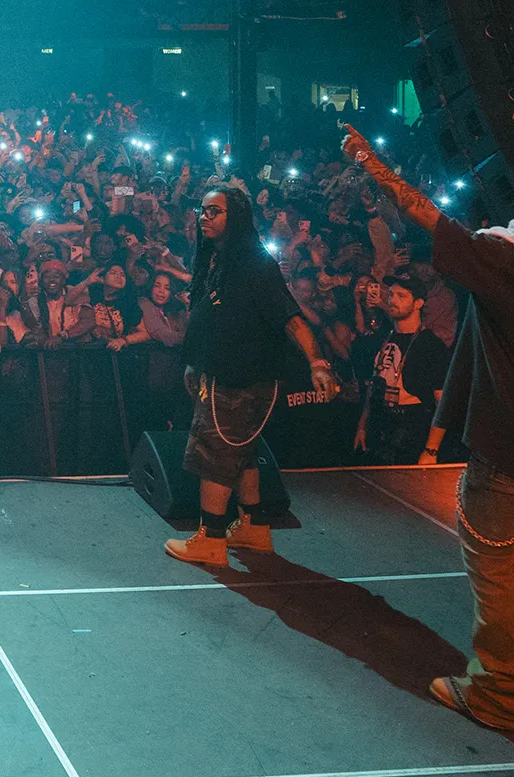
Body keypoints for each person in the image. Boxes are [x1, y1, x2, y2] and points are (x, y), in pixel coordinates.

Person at [344, 124, 514, 727]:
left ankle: (498, 693)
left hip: (507, 455)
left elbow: (424, 214)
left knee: (498, 575)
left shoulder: (503, 261)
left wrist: (369, 160)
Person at [164, 184, 339, 567]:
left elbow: (291, 318)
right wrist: (195, 363)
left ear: (236, 218)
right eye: (202, 210)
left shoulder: (255, 265)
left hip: (240, 378)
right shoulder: (215, 259)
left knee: (215, 454)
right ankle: (254, 529)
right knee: (243, 453)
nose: (204, 218)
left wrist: (317, 363)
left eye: (215, 212)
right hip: (220, 371)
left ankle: (210, 539)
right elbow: (207, 319)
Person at [349, 276, 450, 466]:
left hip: (411, 432)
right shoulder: (384, 337)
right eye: (391, 294)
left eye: (402, 296)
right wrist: (362, 426)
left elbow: (443, 404)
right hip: (379, 430)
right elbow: (375, 385)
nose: (393, 300)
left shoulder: (431, 345)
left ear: (418, 303)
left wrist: (431, 449)